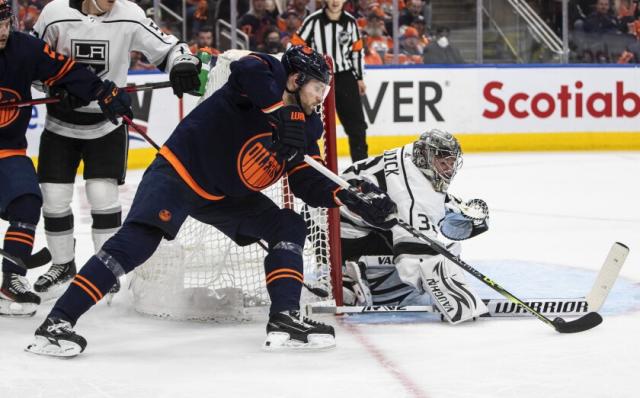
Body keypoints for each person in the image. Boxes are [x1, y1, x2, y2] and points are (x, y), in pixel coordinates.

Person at [25, 45, 397, 357]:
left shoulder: (308, 125)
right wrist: (281, 114)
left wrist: (347, 197)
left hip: (226, 197)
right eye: (318, 88)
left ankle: (285, 316)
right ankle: (56, 323)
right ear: (296, 79)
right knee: (137, 243)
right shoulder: (264, 72)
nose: (321, 98)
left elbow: (304, 179)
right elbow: (245, 68)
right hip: (180, 173)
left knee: (287, 224)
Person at [30, 0, 202, 300]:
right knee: (54, 198)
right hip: (60, 125)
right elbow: (30, 61)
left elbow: (169, 48)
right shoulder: (54, 13)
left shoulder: (130, 14)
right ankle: (62, 264)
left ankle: (103, 268)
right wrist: (53, 88)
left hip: (107, 123)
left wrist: (183, 63)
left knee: (101, 194)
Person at [0, 0, 133, 316]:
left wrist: (101, 92)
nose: (2, 31)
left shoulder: (25, 49)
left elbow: (65, 69)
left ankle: (10, 281)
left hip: (7, 150)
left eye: (5, 22)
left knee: (28, 200)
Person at [339, 129, 490, 324]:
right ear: (425, 157)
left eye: (452, 163)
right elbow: (414, 257)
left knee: (392, 220)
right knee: (415, 273)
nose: (448, 170)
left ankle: (348, 269)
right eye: (443, 163)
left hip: (334, 220)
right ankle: (352, 275)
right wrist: (451, 294)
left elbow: (416, 196)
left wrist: (449, 206)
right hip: (343, 235)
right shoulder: (411, 195)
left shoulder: (412, 155)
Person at [292, 0, 369, 162]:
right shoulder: (313, 21)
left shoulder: (350, 22)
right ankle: (308, 166)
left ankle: (361, 170)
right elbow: (294, 46)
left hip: (345, 77)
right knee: (311, 123)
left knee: (357, 127)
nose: (335, 1)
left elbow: (356, 52)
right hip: (318, 78)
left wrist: (360, 78)